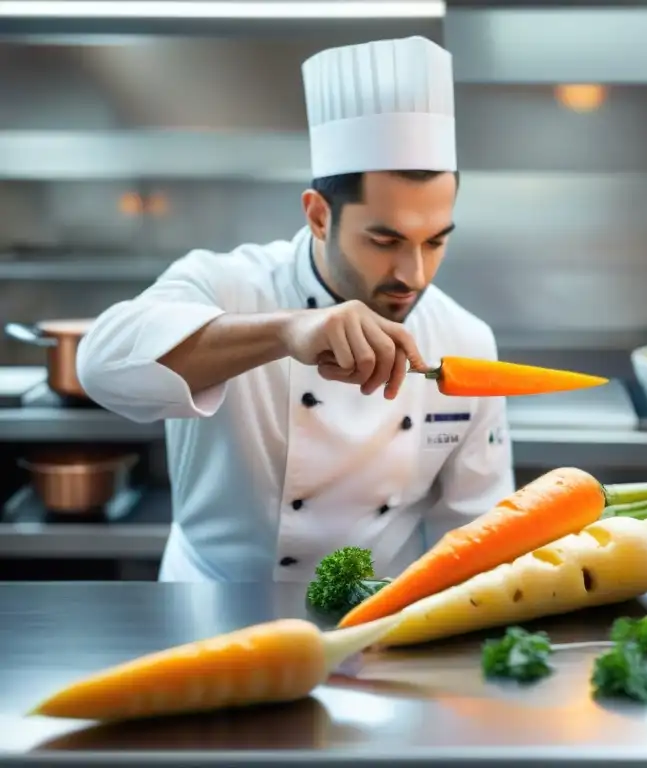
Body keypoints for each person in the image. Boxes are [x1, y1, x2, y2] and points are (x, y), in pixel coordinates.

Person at [76, 36, 515, 583]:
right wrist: (287, 332)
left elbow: (476, 529)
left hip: (374, 615)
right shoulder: (226, 286)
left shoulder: (465, 339)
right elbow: (99, 366)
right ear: (319, 217)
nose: (414, 275)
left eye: (435, 241)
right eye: (384, 241)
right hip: (213, 609)